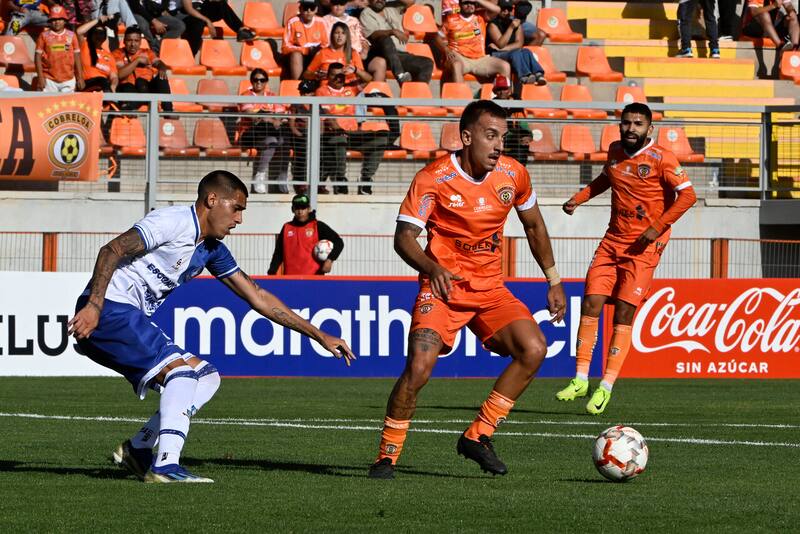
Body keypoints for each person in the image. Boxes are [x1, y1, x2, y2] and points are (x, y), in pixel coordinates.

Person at [68, 170, 355, 484]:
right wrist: (94, 306)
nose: (240, 219)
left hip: (124, 316)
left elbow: (257, 296)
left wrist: (319, 335)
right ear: (212, 200)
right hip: (109, 309)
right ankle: (165, 465)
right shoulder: (173, 222)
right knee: (181, 373)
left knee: (206, 377)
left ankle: (139, 448)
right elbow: (112, 250)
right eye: (237, 208)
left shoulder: (211, 249)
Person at [368, 100, 567, 479]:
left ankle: (478, 436)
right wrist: (432, 268)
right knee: (419, 368)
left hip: (490, 291)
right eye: (490, 136)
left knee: (534, 348)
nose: (498, 146)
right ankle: (386, 457)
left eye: (502, 138)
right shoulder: (434, 178)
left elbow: (535, 227)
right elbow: (404, 237)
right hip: (443, 291)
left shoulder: (514, 175)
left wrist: (553, 279)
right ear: (466, 136)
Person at [554, 103, 697, 415]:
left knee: (623, 310)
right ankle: (580, 378)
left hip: (644, 247)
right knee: (591, 301)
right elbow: (607, 178)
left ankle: (605, 386)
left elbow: (688, 196)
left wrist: (656, 227)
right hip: (613, 240)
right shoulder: (615, 150)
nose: (631, 129)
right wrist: (577, 200)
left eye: (637, 124)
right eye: (626, 123)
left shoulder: (662, 158)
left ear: (649, 129)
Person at [237, 68, 291, 194]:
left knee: (285, 142)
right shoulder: (246, 95)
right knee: (271, 141)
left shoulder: (272, 96)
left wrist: (270, 119)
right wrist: (269, 118)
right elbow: (251, 116)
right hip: (252, 133)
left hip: (271, 131)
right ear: (251, 81)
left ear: (266, 81)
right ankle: (259, 176)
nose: (259, 82)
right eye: (256, 80)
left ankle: (282, 178)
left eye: (262, 80)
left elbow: (280, 115)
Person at [267, 193, 345, 275]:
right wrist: (271, 272)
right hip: (290, 279)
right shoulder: (286, 227)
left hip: (313, 280)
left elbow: (339, 242)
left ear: (309, 209)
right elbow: (278, 253)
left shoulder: (318, 226)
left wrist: (330, 260)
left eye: (303, 208)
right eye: (297, 208)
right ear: (292, 209)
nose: (300, 212)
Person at [360, 0, 434, 83]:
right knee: (385, 39)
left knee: (426, 63)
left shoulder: (392, 7)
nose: (379, 0)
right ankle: (400, 75)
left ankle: (415, 92)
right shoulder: (366, 13)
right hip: (381, 55)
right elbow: (372, 35)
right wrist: (392, 31)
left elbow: (411, 1)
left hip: (399, 55)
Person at [437, 0, 512, 83]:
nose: (469, 5)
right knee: (456, 65)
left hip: (480, 58)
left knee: (505, 66)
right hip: (460, 57)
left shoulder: (481, 16)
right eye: (466, 3)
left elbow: (497, 10)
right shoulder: (450, 19)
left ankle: (505, 95)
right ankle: (460, 95)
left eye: (472, 3)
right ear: (460, 4)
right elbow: (437, 36)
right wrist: (446, 49)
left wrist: (477, 0)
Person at [113, 26, 173, 112]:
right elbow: (120, 75)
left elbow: (159, 63)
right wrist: (137, 61)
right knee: (127, 86)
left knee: (161, 77)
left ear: (140, 42)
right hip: (129, 88)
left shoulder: (147, 52)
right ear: (124, 41)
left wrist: (162, 68)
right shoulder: (117, 53)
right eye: (129, 40)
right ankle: (135, 104)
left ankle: (168, 111)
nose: (133, 44)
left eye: (136, 41)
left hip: (146, 87)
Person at [323, 0, 386, 81]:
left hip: (359, 55)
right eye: (335, 4)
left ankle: (376, 92)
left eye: (341, 3)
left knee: (380, 62)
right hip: (339, 55)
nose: (338, 7)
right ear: (330, 5)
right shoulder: (324, 20)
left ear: (346, 5)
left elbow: (361, 37)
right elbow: (325, 42)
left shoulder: (354, 20)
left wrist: (365, 50)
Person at [486, 0, 546, 85]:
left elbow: (519, 44)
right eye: (503, 9)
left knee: (526, 51)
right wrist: (511, 28)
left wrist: (502, 49)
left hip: (503, 51)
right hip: (495, 55)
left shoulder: (516, 22)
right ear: (499, 10)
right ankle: (524, 77)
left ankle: (539, 74)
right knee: (516, 53)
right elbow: (501, 44)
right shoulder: (493, 24)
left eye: (509, 9)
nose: (506, 12)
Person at [303, 21, 372, 88]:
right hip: (326, 91)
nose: (340, 36)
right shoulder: (322, 53)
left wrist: (355, 70)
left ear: (347, 36)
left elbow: (367, 78)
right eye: (337, 33)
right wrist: (317, 76)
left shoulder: (353, 53)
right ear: (332, 35)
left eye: (343, 33)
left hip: (349, 91)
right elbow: (306, 74)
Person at [34, 5, 83, 93]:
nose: (57, 22)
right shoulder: (43, 35)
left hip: (68, 79)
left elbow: (77, 57)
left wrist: (80, 77)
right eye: (54, 20)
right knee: (49, 105)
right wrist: (40, 77)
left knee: (66, 105)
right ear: (50, 21)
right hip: (49, 79)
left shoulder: (72, 35)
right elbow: (37, 57)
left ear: (65, 21)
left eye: (60, 19)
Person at [180, 0, 256, 56]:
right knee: (198, 23)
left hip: (202, 9)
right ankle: (190, 55)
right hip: (188, 13)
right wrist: (207, 20)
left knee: (221, 4)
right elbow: (188, 9)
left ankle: (241, 30)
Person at [282, 0, 329, 80]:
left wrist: (316, 50)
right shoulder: (292, 22)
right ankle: (296, 86)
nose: (309, 11)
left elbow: (327, 43)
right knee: (296, 55)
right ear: (300, 9)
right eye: (306, 8)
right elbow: (285, 47)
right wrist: (305, 50)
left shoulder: (322, 22)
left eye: (312, 8)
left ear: (316, 9)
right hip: (299, 56)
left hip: (316, 54)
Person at [491, 75, 531, 165]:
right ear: (495, 92)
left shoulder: (517, 106)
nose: (502, 92)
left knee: (522, 148)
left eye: (504, 89)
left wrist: (527, 136)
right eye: (499, 89)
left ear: (509, 90)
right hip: (497, 141)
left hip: (514, 142)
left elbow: (524, 127)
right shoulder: (491, 107)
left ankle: (519, 174)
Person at [77, 18, 119, 93]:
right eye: (96, 33)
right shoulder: (84, 46)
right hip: (87, 83)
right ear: (91, 34)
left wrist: (113, 85)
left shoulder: (109, 55)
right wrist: (98, 20)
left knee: (105, 83)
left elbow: (114, 76)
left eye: (101, 33)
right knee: (102, 80)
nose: (98, 36)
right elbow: (79, 32)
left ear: (105, 36)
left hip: (103, 85)